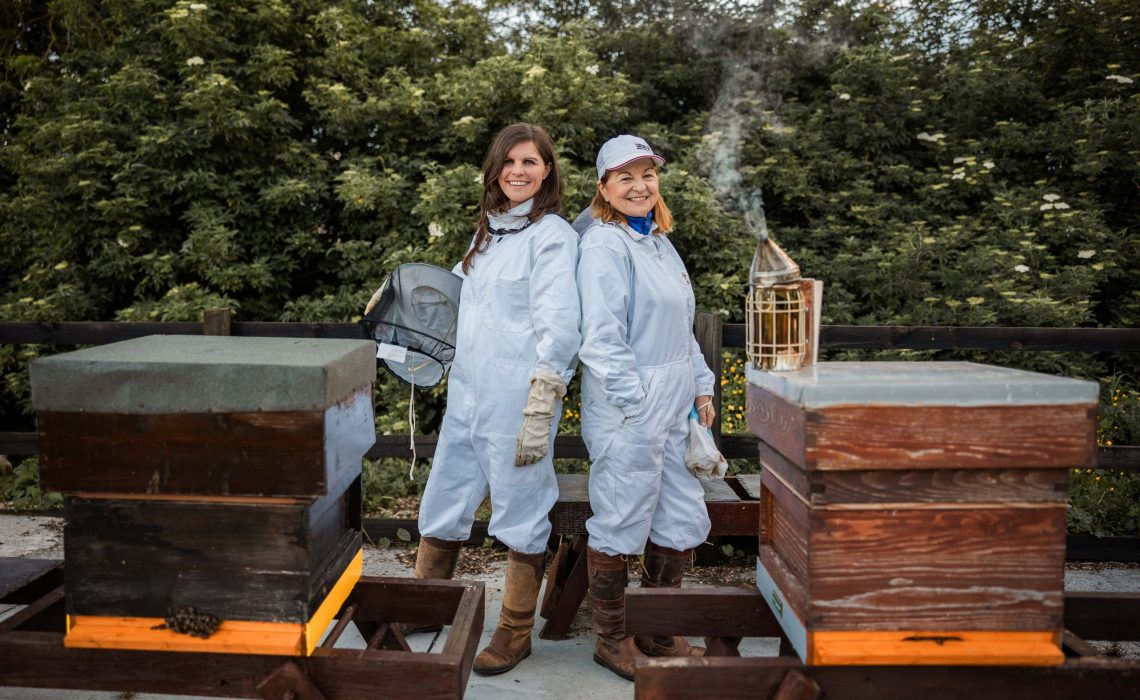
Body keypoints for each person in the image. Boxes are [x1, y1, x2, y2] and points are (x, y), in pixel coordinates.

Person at [411, 123, 581, 675]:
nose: (519, 171)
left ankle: (513, 630)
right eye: (510, 162)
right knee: (446, 494)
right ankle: (423, 603)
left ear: (547, 171)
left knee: (520, 510)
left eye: (531, 162)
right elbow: (456, 299)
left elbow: (560, 323)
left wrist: (545, 394)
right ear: (495, 169)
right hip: (467, 390)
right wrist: (406, 312)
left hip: (517, 399)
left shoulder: (551, 234)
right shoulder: (488, 230)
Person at [576, 135, 716, 680]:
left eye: (647, 175)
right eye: (625, 177)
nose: (639, 186)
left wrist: (701, 387)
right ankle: (611, 639)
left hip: (675, 405)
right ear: (605, 188)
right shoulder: (604, 246)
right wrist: (636, 401)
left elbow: (681, 332)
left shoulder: (658, 240)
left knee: (680, 515)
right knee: (621, 517)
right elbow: (602, 339)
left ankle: (659, 629)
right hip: (627, 407)